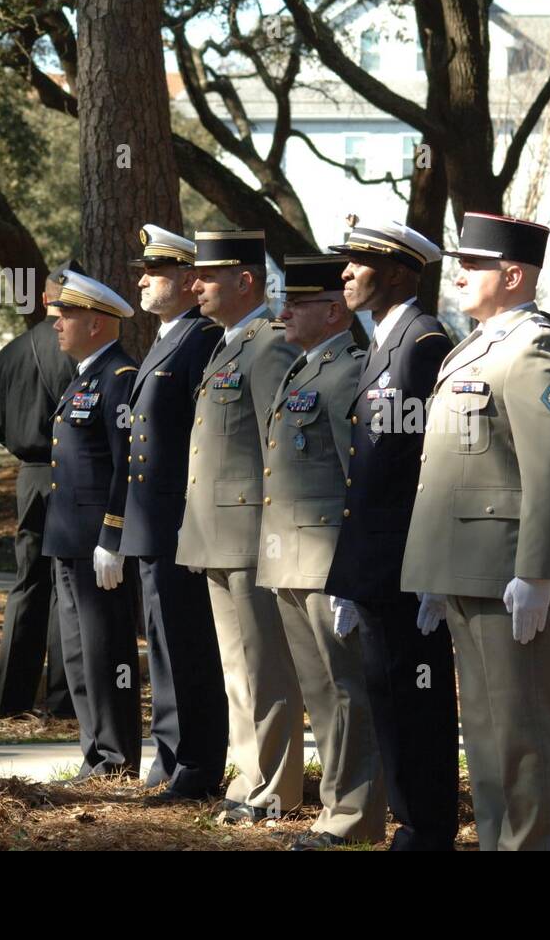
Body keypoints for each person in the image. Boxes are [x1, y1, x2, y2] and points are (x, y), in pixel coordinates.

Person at [403, 211, 550, 851]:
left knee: (523, 731)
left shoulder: (533, 348)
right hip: (468, 567)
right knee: (484, 730)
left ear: (513, 274)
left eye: (475, 264)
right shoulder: (479, 343)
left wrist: (537, 572)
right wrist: (434, 568)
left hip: (510, 570)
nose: (460, 273)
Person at [324, 218, 460, 850]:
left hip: (409, 562)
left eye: (359, 263)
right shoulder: (385, 341)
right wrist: (351, 572)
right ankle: (412, 821)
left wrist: (432, 567)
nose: (345, 273)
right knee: (389, 694)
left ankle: (426, 826)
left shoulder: (423, 342)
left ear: (401, 273)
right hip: (379, 562)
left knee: (417, 699)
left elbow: (433, 464)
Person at [175, 230, 306, 823]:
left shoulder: (269, 345)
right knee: (237, 672)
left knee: (265, 669)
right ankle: (249, 778)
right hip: (216, 536)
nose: (194, 284)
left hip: (253, 537)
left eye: (207, 275)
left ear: (245, 280)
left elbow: (280, 451)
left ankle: (275, 788)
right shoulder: (229, 344)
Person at [255, 253, 386, 849]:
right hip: (291, 558)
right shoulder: (304, 368)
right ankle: (335, 806)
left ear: (334, 311)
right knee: (320, 692)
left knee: (344, 691)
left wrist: (353, 576)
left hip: (328, 562)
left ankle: (354, 814)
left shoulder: (347, 372)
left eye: (298, 303)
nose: (284, 311)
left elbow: (361, 479)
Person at [118, 225, 229, 802]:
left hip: (180, 524)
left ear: (188, 280)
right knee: (162, 646)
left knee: (188, 647)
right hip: (153, 524)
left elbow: (202, 441)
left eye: (153, 273)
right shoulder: (168, 338)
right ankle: (169, 757)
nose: (141, 280)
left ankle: (198, 762)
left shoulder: (201, 339)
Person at [41, 270, 142, 780]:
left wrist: (114, 535)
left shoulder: (119, 379)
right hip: (68, 541)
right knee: (78, 656)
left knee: (107, 654)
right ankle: (95, 750)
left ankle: (118, 755)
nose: (57, 323)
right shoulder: (84, 376)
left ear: (98, 323)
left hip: (99, 544)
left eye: (68, 315)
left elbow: (128, 464)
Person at [0, 262, 79, 718]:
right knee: (67, 587)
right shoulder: (78, 349)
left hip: (29, 476)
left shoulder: (9, 352)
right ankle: (64, 703)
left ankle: (10, 697)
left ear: (44, 299)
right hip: (74, 474)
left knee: (27, 585)